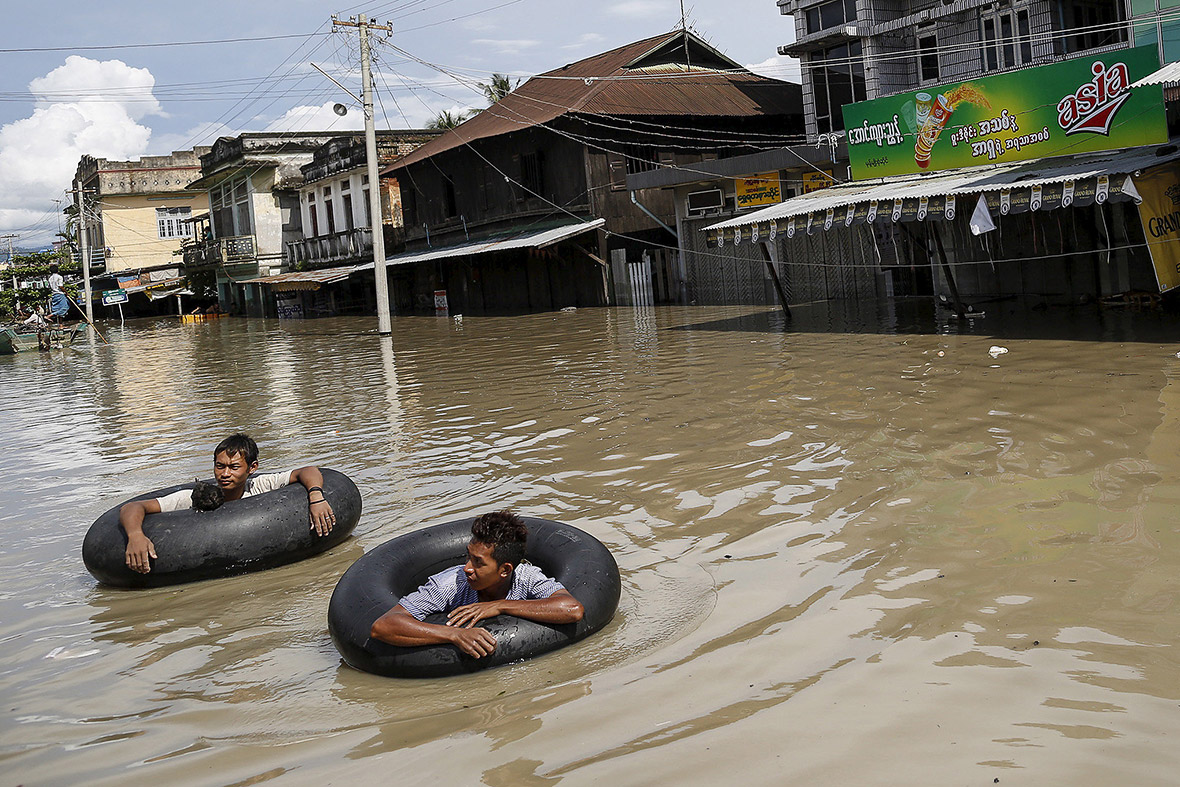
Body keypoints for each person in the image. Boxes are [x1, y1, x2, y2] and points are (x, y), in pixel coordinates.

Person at [369, 510, 584, 658]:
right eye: (468, 557)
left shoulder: (526, 577)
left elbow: (572, 610)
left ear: (505, 570)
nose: (467, 568)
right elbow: (383, 626)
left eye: (478, 562)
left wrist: (499, 606)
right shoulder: (451, 583)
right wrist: (454, 634)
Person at [118, 433, 337, 573]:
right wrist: (136, 535)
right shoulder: (197, 497)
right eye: (219, 466)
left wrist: (316, 496)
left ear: (252, 468)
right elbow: (133, 507)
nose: (224, 474)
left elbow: (308, 471)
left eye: (233, 467)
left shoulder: (259, 486)